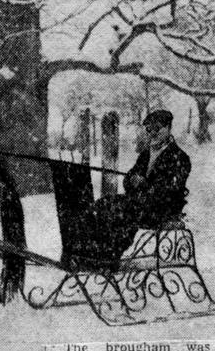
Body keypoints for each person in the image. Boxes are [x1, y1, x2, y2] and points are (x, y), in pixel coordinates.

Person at [56, 109, 191, 270]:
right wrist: (133, 181)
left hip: (162, 209)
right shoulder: (146, 154)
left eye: (157, 128)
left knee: (119, 212)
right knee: (102, 204)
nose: (152, 133)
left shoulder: (180, 157)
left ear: (168, 128)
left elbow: (169, 189)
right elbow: (128, 180)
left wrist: (142, 184)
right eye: (149, 129)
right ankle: (88, 255)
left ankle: (108, 258)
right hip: (140, 203)